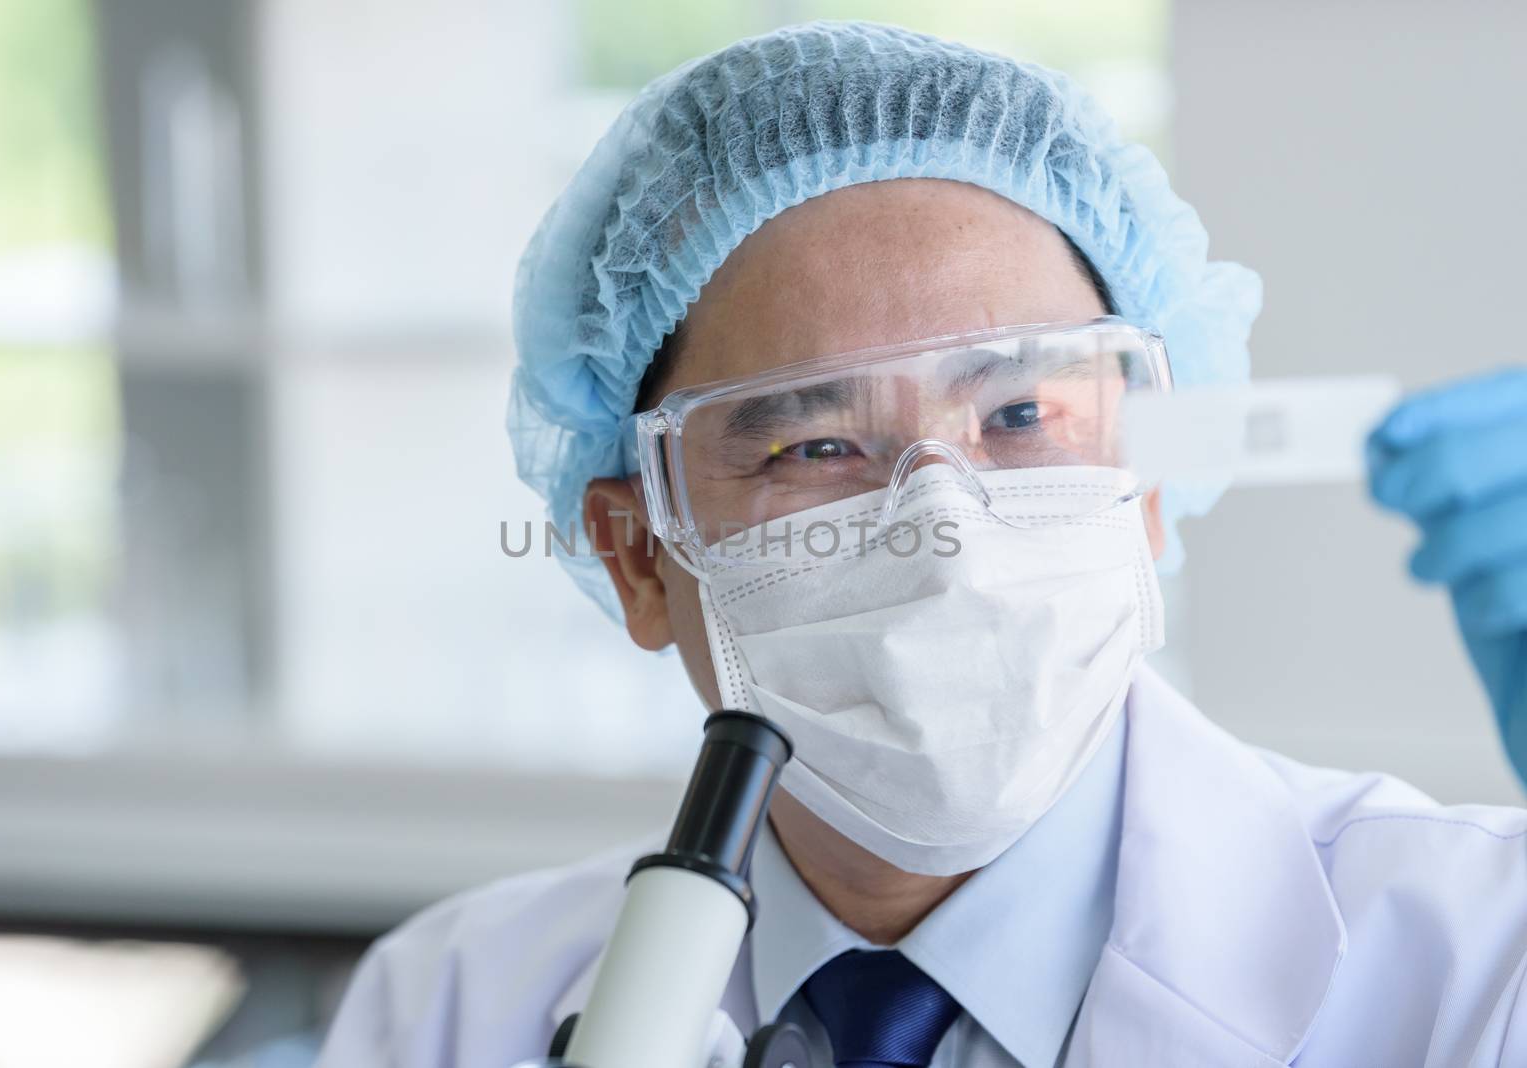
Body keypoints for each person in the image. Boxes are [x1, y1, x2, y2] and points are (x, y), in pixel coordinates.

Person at [318, 22, 1527, 1068]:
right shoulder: (450, 1010)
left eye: (1017, 416)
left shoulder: (1478, 960)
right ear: (638, 555)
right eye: (813, 449)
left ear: (1144, 486)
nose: (942, 531)